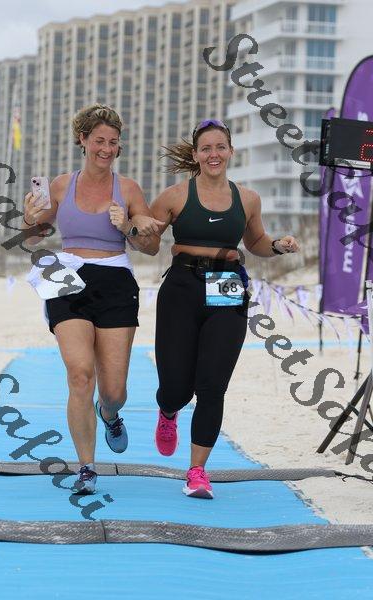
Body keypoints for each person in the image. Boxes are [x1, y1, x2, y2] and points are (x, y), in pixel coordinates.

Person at [134, 119, 299, 499]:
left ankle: (197, 471)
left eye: (220, 147)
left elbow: (255, 241)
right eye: (206, 148)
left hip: (227, 283)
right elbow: (149, 245)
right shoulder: (175, 196)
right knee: (176, 387)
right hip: (182, 285)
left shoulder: (248, 199)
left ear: (230, 151)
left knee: (212, 385)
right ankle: (168, 410)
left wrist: (277, 246)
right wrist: (137, 230)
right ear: (195, 155)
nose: (214, 154)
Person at [22, 104, 160, 494]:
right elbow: (34, 236)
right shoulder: (61, 185)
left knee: (114, 391)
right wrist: (29, 218)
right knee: (80, 375)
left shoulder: (128, 189)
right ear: (82, 140)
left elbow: (151, 246)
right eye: (99, 140)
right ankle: (86, 467)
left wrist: (129, 226)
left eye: (113, 142)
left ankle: (109, 415)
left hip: (116, 281)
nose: (106, 149)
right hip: (68, 278)